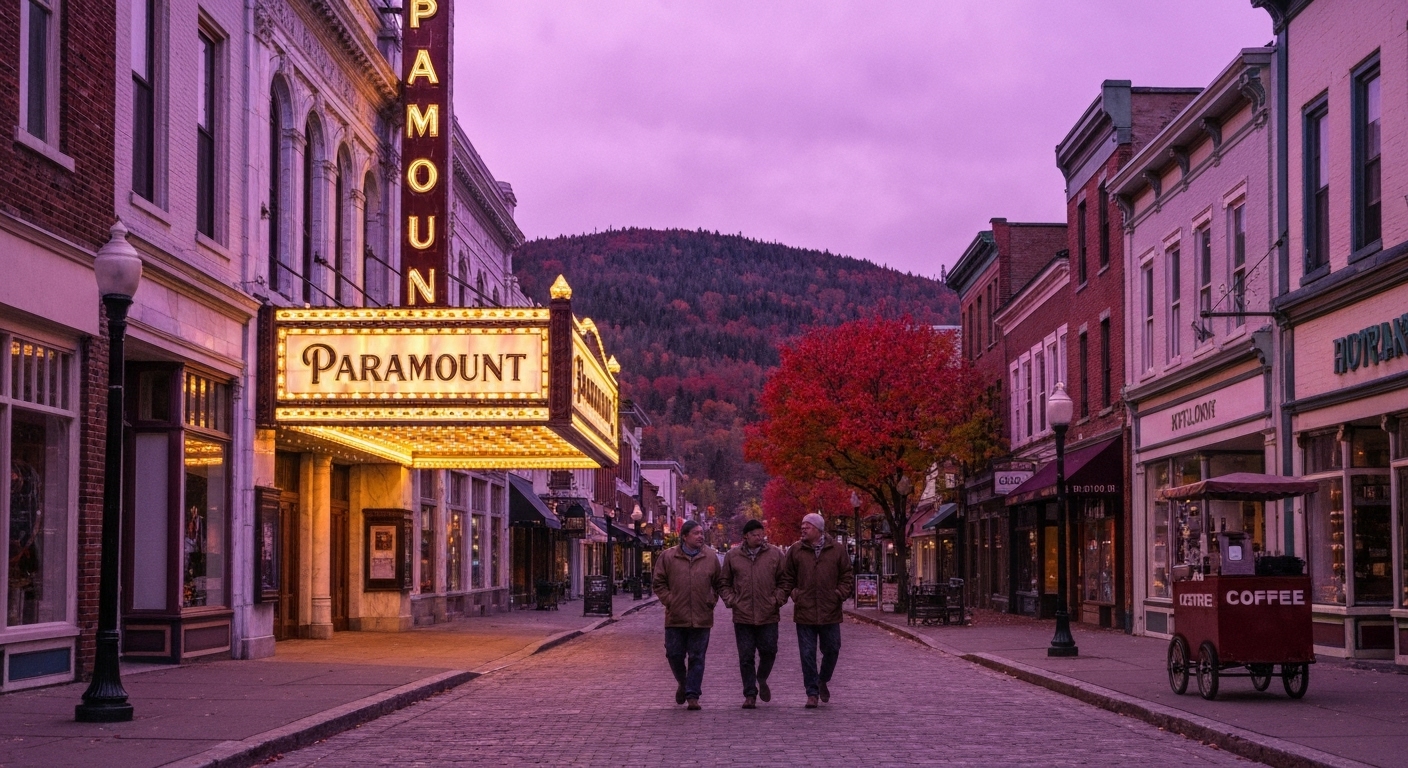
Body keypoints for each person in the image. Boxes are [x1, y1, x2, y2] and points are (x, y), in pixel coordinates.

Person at [780, 512, 854, 708]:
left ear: (819, 530)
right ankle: (811, 692)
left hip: (830, 610)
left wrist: (839, 593)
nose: (803, 528)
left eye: (808, 526)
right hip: (805, 611)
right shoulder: (795, 550)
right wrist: (795, 593)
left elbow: (847, 575)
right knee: (807, 654)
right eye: (802, 525)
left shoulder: (837, 550)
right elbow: (787, 577)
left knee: (832, 649)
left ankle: (823, 679)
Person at [652, 519, 722, 710]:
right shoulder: (668, 557)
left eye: (702, 533)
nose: (701, 536)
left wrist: (711, 600)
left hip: (702, 617)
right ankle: (683, 683)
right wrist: (670, 600)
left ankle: (693, 695)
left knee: (697, 657)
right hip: (676, 617)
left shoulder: (710, 557)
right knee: (674, 654)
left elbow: (719, 583)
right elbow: (658, 582)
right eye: (696, 533)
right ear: (684, 536)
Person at [719, 519, 787, 709]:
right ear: (745, 537)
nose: (759, 538)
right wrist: (732, 600)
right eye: (755, 535)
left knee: (769, 651)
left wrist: (777, 599)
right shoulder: (733, 556)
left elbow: (785, 581)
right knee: (745, 656)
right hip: (743, 615)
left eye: (761, 534)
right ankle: (750, 693)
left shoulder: (775, 554)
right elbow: (724, 582)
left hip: (768, 613)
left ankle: (762, 677)